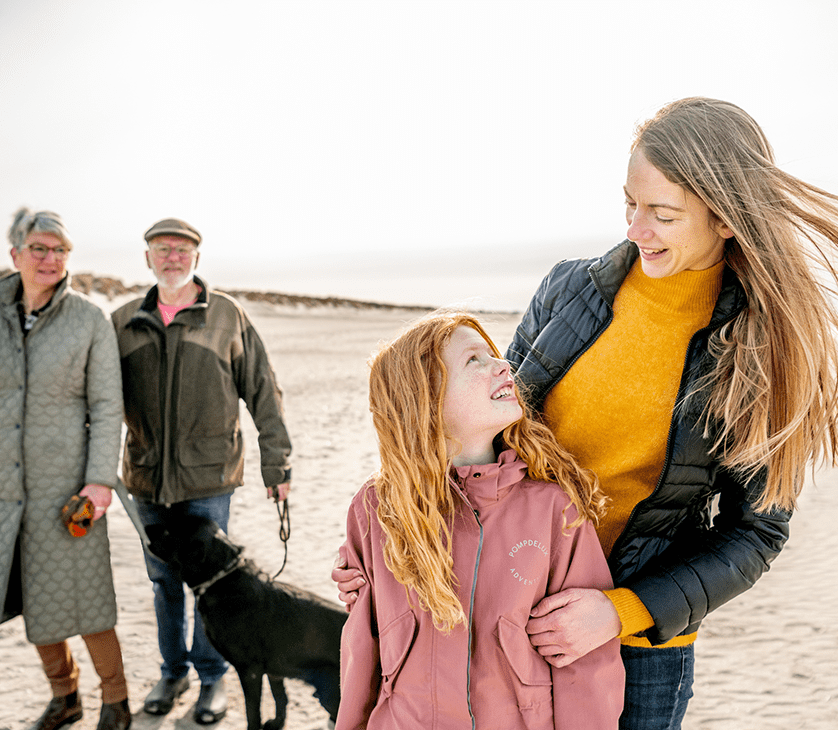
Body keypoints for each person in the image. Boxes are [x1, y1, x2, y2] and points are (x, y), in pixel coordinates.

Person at [336, 97, 838, 729]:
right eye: (629, 203)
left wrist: (619, 609)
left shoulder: (765, 352)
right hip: (501, 607)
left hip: (636, 645)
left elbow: (757, 534)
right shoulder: (571, 288)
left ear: (728, 218)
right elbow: (482, 434)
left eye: (662, 214)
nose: (635, 228)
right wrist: (386, 546)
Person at [336, 311, 622, 729]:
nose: (503, 365)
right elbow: (362, 649)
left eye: (495, 355)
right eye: (474, 360)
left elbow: (586, 666)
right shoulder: (377, 509)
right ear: (424, 397)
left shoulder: (552, 511)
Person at [0, 207, 131, 730]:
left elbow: (107, 406)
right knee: (32, 596)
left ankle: (116, 702)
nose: (50, 259)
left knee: (86, 599)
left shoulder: (88, 319)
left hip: (66, 488)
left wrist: (99, 480)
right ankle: (64, 696)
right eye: (40, 249)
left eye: (60, 250)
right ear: (15, 255)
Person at [111, 217, 292, 725]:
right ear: (147, 257)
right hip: (145, 479)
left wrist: (276, 462)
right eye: (161, 249)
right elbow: (100, 401)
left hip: (209, 480)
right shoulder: (122, 320)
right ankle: (173, 672)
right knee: (164, 583)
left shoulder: (227, 316)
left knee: (210, 585)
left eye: (182, 249)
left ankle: (211, 680)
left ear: (196, 257)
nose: (172, 256)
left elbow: (262, 390)